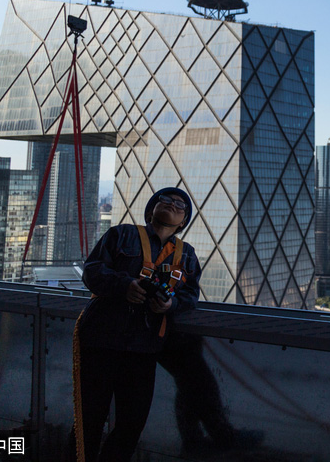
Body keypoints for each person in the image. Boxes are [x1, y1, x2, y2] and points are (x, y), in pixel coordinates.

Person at [73, 187, 202, 462]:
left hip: (144, 348)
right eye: (165, 200)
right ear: (152, 209)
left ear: (184, 222)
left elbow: (190, 294)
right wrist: (124, 286)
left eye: (181, 205)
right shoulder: (122, 235)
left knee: (131, 425)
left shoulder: (187, 255)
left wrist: (171, 305)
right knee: (88, 419)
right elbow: (92, 270)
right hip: (102, 340)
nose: (172, 205)